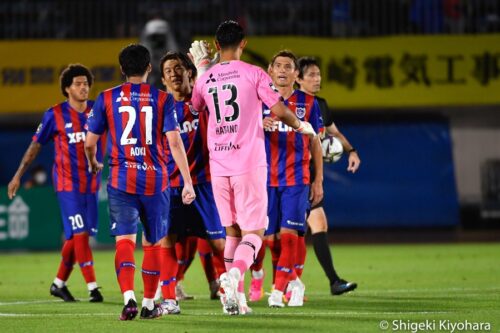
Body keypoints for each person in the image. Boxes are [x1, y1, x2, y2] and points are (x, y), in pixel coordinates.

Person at [189, 20, 316, 315]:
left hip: (218, 167)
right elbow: (279, 108)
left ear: (216, 45)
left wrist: (202, 69)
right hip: (248, 164)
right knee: (254, 234)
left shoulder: (205, 79)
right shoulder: (253, 73)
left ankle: (238, 300)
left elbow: (194, 107)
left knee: (232, 234)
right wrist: (301, 125)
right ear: (243, 44)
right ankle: (233, 278)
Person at [84, 44, 195, 320]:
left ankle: (128, 298)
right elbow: (174, 141)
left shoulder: (106, 98)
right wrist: (188, 182)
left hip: (122, 180)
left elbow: (90, 142)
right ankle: (148, 303)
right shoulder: (162, 99)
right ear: (149, 68)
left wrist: (93, 161)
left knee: (124, 239)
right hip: (156, 182)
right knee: (153, 244)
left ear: (122, 69)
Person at [7, 64, 104, 303]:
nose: (84, 87)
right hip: (67, 184)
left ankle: (58, 284)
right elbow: (35, 146)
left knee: (75, 238)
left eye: (86, 83)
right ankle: (93, 288)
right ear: (67, 88)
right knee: (80, 233)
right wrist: (18, 174)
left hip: (91, 185)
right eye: (78, 84)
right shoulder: (55, 115)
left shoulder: (98, 111)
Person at [156, 51, 226, 314]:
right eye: (168, 71)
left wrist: (212, 63)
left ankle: (232, 291)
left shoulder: (202, 103)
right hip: (171, 186)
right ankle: (169, 297)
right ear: (163, 80)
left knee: (219, 243)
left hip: (204, 184)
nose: (173, 73)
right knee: (166, 240)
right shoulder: (161, 108)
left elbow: (216, 87)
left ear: (189, 73)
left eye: (178, 68)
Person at [257, 50, 324, 308]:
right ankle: (295, 282)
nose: (283, 70)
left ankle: (276, 290)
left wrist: (318, 181)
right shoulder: (259, 101)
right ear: (270, 70)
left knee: (289, 235)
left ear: (296, 75)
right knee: (270, 240)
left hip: (297, 178)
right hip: (265, 179)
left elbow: (315, 143)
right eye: (278, 66)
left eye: (289, 67)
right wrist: (259, 124)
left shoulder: (308, 103)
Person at [296, 56, 360, 295]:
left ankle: (333, 281)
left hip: (311, 177)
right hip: (287, 176)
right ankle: (262, 280)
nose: (317, 79)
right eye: (311, 74)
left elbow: (335, 133)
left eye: (318, 74)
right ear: (298, 78)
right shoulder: (290, 104)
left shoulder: (321, 105)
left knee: (319, 224)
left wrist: (351, 150)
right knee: (277, 235)